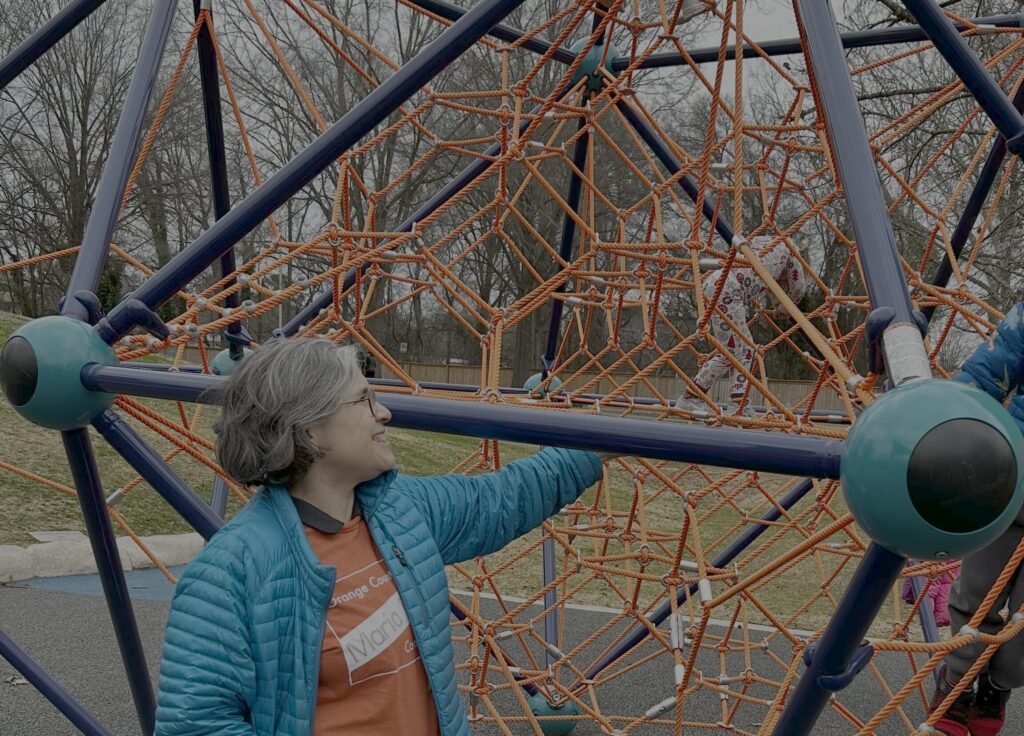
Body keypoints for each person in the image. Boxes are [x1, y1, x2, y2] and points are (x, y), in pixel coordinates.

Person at [152, 338, 611, 736]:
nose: (385, 412)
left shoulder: (399, 510)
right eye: (365, 400)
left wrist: (599, 434)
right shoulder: (231, 570)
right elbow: (196, 725)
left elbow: (501, 500)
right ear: (309, 428)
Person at [927, 301, 1024, 736]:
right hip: (1012, 480)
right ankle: (957, 682)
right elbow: (987, 373)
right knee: (977, 594)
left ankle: (998, 688)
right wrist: (943, 420)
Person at [675, 235, 807, 416]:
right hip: (728, 289)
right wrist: (784, 309)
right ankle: (737, 404)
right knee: (745, 349)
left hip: (714, 284)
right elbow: (799, 287)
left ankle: (694, 396)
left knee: (729, 352)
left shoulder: (765, 244)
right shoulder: (790, 250)